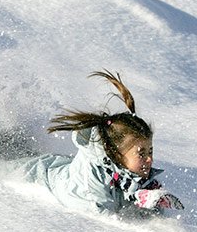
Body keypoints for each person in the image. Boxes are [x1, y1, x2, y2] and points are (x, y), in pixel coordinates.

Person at [12, 70, 184, 216]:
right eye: (141, 154)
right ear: (116, 153)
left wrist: (152, 203)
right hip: (36, 174)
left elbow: (128, 192)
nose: (149, 160)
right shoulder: (92, 178)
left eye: (150, 152)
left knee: (20, 150)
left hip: (55, 165)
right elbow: (100, 216)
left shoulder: (129, 170)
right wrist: (136, 204)